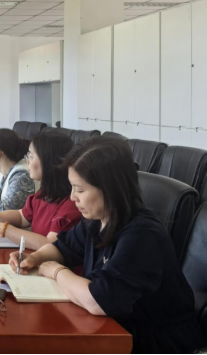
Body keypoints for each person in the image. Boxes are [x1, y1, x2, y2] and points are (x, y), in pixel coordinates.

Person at [11, 137, 205, 354]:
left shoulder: (141, 234)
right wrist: (34, 258)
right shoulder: (97, 219)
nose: (73, 197)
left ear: (109, 188)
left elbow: (99, 301)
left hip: (154, 339)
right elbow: (64, 247)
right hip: (114, 326)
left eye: (80, 190)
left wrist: (56, 271)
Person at [0, 133, 82, 250]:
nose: (27, 161)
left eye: (31, 156)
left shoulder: (72, 203)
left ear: (49, 161)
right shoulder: (44, 193)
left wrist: (2, 228)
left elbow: (51, 244)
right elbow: (21, 216)